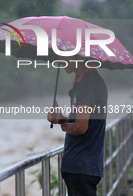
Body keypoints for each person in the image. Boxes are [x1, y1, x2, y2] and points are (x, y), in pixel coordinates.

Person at [47, 56, 107, 196]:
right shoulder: (88, 82)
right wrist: (62, 119)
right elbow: (85, 120)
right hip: (84, 165)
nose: (60, 61)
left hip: (81, 165)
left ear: (77, 56)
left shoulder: (87, 84)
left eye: (62, 56)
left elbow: (81, 127)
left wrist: (63, 126)